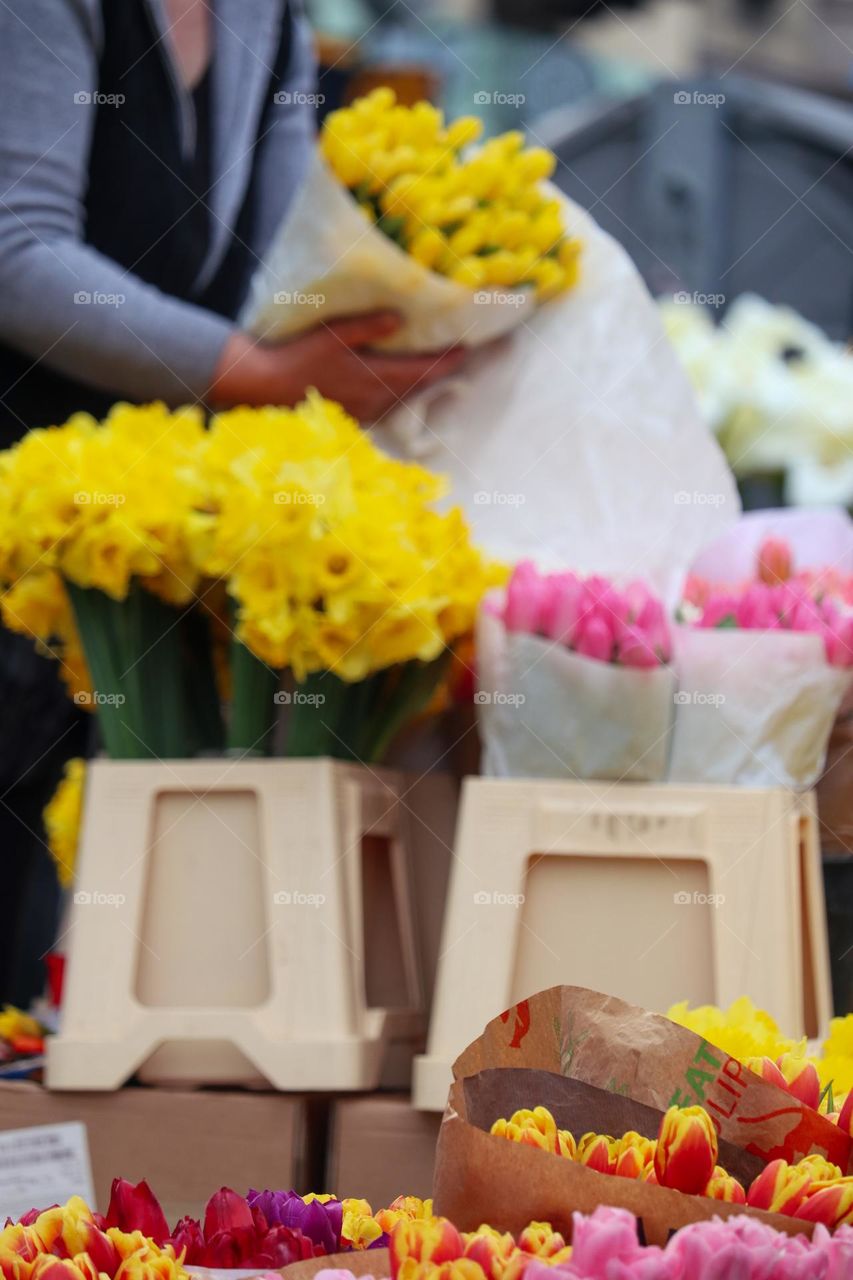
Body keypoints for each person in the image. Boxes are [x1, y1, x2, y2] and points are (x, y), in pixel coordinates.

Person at [0, 0, 464, 1003]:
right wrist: (251, 368)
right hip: (23, 508)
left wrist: (408, 312)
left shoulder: (267, 13)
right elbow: (15, 256)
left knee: (53, 931)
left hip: (132, 538)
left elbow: (288, 253)